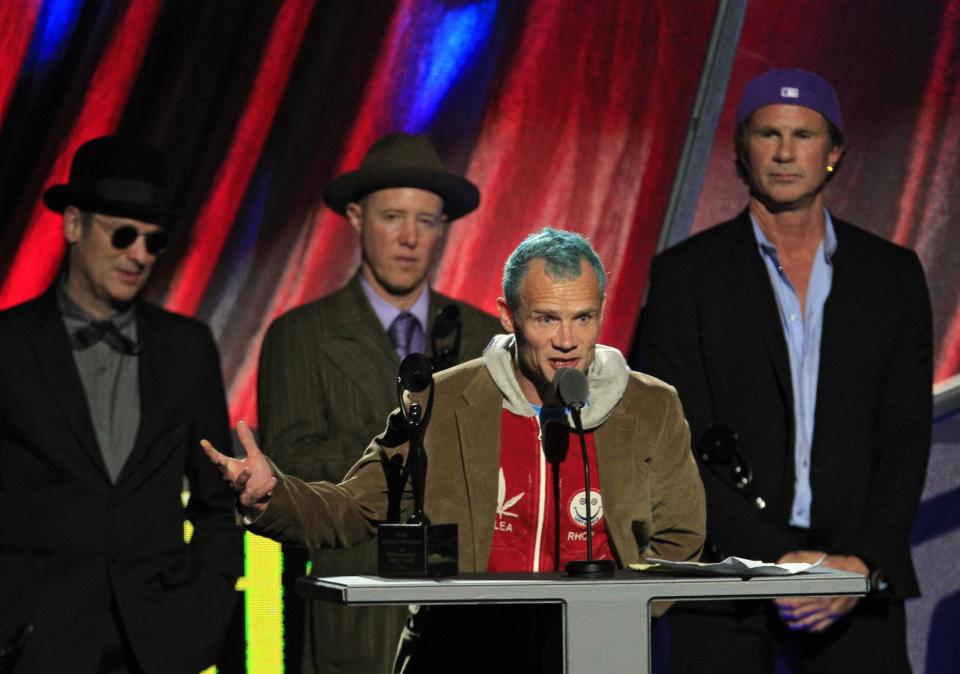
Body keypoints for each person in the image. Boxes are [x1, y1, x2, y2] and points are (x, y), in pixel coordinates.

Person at [207, 227, 706, 673]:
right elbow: (353, 508)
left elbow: (679, 539)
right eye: (547, 319)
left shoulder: (649, 407)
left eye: (583, 318)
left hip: (596, 652)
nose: (567, 341)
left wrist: (615, 615)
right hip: (462, 649)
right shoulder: (443, 402)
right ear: (508, 316)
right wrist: (274, 496)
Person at [636, 68, 932, 672]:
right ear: (743, 148)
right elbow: (666, 442)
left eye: (804, 134)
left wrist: (859, 565)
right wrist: (774, 561)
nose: (787, 151)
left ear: (834, 151)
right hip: (724, 585)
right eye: (769, 134)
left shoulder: (892, 275)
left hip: (854, 581)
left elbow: (904, 434)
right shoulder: (685, 276)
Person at [257, 132, 501, 673]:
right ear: (356, 216)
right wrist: (421, 458)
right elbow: (294, 469)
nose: (410, 238)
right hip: (360, 610)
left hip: (471, 611)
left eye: (428, 222)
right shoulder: (301, 336)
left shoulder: (484, 336)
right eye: (393, 217)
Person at [0, 136, 243, 673]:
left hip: (157, 645)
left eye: (154, 242)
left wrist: (205, 607)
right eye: (124, 234)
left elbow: (215, 501)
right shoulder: (9, 345)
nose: (139, 255)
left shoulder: (188, 348)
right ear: (73, 225)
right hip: (33, 646)